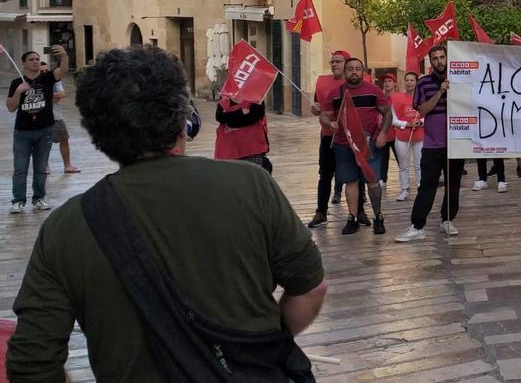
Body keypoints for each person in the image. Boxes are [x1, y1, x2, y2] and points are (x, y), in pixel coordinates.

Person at [7, 46, 326, 379]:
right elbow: (310, 288)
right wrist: (258, 345)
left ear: (96, 130)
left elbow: (31, 363)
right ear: (181, 119)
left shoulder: (65, 227)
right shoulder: (251, 185)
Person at [396, 44, 460, 242]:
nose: (440, 62)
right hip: (432, 144)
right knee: (427, 185)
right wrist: (440, 92)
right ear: (430, 62)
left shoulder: (460, 79)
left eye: (442, 57)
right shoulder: (423, 84)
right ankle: (417, 225)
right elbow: (422, 110)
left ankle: (447, 220)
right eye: (435, 58)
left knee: (453, 184)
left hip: (456, 143)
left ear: (448, 58)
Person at [319, 57, 390, 236]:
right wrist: (329, 123)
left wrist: (383, 134)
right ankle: (352, 218)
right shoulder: (336, 93)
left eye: (358, 69)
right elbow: (324, 115)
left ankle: (378, 217)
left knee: (373, 180)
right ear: (345, 71)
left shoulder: (374, 91)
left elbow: (387, 113)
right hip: (344, 145)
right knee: (350, 181)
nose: (354, 72)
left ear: (363, 71)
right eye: (350, 69)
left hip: (369, 144)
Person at [8, 47, 66, 213]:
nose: (35, 62)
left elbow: (63, 70)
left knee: (40, 167)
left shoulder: (47, 78)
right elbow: (11, 108)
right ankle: (18, 201)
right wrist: (19, 92)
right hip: (22, 132)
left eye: (37, 59)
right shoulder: (17, 83)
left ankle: (39, 198)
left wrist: (63, 55)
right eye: (31, 60)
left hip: (45, 130)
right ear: (24, 64)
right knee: (20, 168)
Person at [307, 50, 360, 228]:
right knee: (325, 175)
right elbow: (317, 108)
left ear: (346, 63)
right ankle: (321, 212)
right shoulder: (322, 81)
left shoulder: (355, 80)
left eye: (338, 61)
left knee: (355, 175)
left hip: (350, 138)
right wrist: (315, 110)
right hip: (328, 136)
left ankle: (359, 212)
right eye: (332, 61)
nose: (334, 64)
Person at [213, 97, 272, 173]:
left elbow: (253, 117)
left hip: (252, 150)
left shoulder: (256, 100)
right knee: (232, 178)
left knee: (253, 177)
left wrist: (230, 118)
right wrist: (241, 113)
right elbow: (220, 117)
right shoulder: (224, 102)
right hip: (229, 151)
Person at [390, 71, 423, 202]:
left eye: (412, 80)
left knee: (419, 164)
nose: (409, 82)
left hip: (420, 136)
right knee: (403, 165)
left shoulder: (423, 97)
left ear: (416, 82)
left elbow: (427, 114)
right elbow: (393, 119)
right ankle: (404, 189)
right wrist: (407, 124)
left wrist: (420, 122)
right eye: (407, 80)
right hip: (402, 137)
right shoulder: (396, 98)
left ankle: (421, 189)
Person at [40, 62, 78, 174]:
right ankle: (44, 165)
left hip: (56, 116)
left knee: (64, 139)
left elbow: (61, 94)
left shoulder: (55, 80)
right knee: (44, 143)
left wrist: (45, 95)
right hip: (41, 117)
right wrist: (51, 96)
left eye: (46, 70)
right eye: (42, 71)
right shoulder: (35, 81)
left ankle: (68, 165)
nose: (44, 72)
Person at [378, 73, 401, 185]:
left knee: (400, 157)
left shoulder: (398, 97)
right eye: (385, 81)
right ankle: (382, 178)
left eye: (389, 81)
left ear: (395, 84)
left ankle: (404, 178)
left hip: (396, 133)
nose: (387, 83)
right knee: (383, 157)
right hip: (384, 133)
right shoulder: (381, 97)